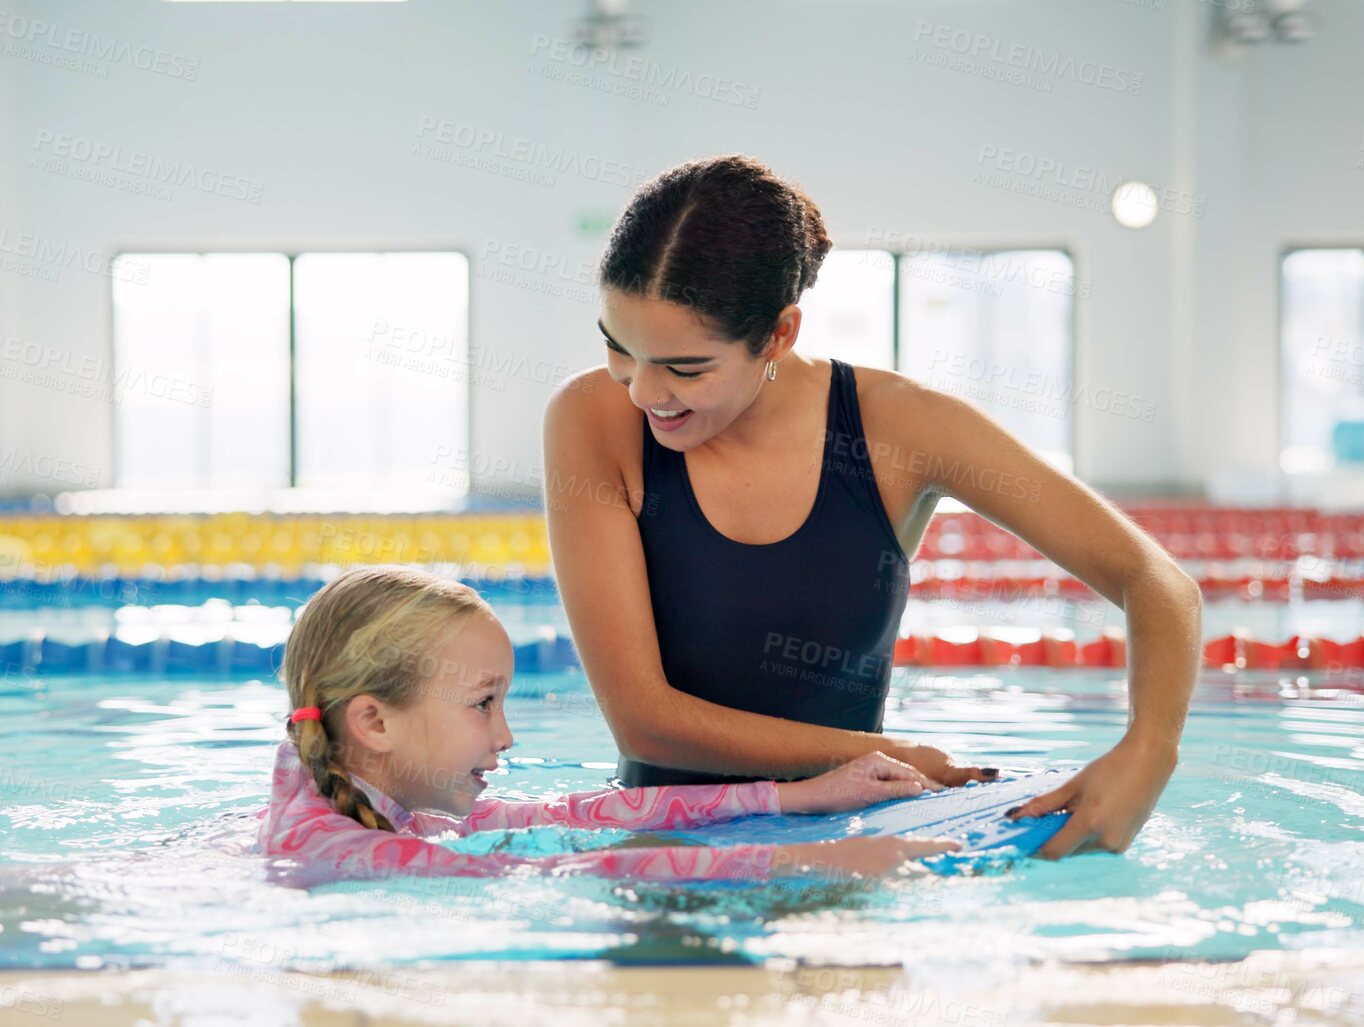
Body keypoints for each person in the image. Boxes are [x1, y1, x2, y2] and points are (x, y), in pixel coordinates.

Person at [540, 154, 1203, 858]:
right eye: (618, 348)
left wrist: (1149, 747)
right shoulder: (591, 419)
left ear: (778, 335)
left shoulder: (900, 430)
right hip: (664, 855)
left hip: (850, 856)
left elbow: (1157, 582)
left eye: (685, 368)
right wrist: (883, 752)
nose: (642, 391)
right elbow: (645, 721)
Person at [254, 565, 959, 886]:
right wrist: (811, 859)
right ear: (374, 721)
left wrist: (795, 795)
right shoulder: (337, 847)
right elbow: (565, 864)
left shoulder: (366, 798)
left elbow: (576, 812)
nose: (505, 737)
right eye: (482, 704)